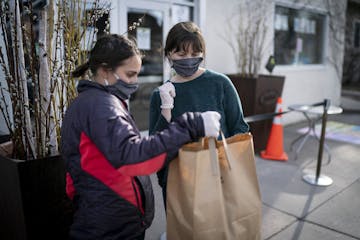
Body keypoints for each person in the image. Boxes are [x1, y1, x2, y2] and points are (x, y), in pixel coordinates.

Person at [60, 34, 221, 240]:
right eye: (129, 74)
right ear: (105, 70)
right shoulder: (101, 106)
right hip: (111, 227)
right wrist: (191, 125)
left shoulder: (91, 102)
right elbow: (135, 157)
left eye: (137, 74)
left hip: (103, 216)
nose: (135, 82)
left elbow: (73, 177)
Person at [149, 21, 249, 212]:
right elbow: (155, 148)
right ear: (169, 54)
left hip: (219, 174)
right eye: (181, 53)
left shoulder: (220, 83)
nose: (188, 59)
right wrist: (166, 108)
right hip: (178, 179)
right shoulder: (160, 94)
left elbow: (240, 129)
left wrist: (230, 166)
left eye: (195, 54)